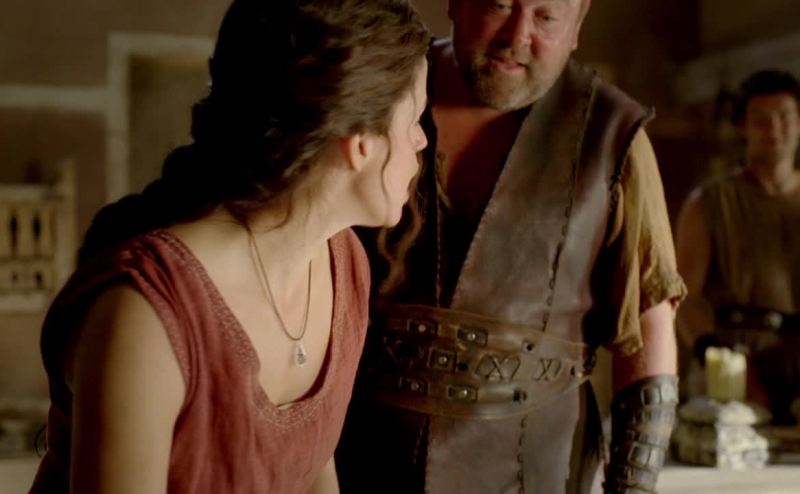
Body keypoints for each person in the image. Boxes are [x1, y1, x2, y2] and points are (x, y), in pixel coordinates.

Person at [29, 0, 430, 492]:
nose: (420, 142)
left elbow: (312, 465)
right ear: (359, 142)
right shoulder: (148, 316)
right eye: (414, 119)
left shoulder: (343, 262)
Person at [335, 1, 685, 493]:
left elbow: (650, 325)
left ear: (577, 26)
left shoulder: (612, 135)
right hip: (355, 466)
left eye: (546, 17)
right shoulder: (375, 89)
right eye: (499, 5)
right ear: (456, 4)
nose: (517, 36)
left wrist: (633, 486)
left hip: (536, 473)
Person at [676, 69, 800, 425]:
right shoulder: (711, 202)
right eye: (761, 120)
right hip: (735, 366)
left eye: (785, 117)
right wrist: (720, 364)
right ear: (743, 127)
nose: (774, 129)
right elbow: (685, 297)